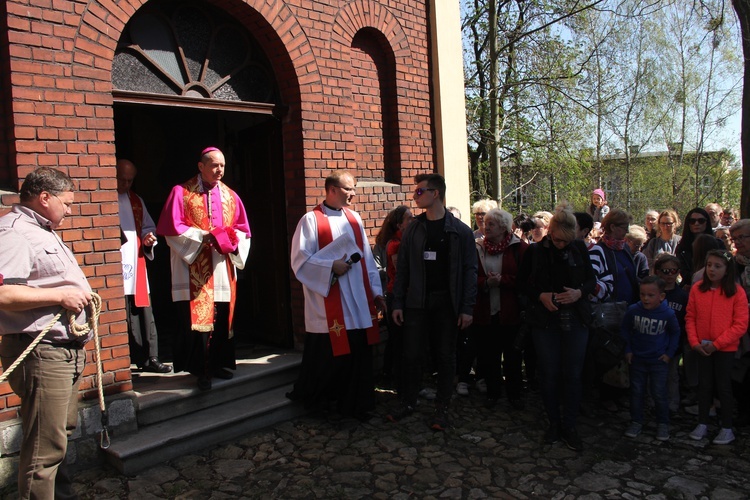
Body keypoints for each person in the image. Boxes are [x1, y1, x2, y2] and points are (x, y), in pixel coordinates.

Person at [0, 167, 93, 499]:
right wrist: (60, 296)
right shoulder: (14, 233)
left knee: (58, 438)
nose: (69, 210)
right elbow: (4, 294)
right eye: (66, 203)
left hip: (64, 351)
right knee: (44, 449)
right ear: (44, 198)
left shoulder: (42, 229)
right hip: (41, 354)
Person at [287, 170, 386, 420]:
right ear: (331, 190)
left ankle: (357, 405)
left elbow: (367, 259)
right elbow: (299, 261)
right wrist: (331, 266)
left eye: (354, 188)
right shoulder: (310, 220)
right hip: (330, 300)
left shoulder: (355, 218)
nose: (353, 193)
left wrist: (376, 293)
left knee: (357, 356)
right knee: (331, 358)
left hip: (358, 301)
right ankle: (326, 406)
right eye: (348, 189)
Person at [387, 173, 477, 431]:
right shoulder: (413, 228)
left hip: (447, 303)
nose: (415, 196)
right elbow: (402, 268)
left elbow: (470, 271)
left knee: (445, 356)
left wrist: (466, 308)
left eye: (419, 191)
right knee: (412, 354)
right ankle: (408, 401)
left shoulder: (460, 231)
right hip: (417, 302)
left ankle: (442, 407)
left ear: (435, 193)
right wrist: (398, 303)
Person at [156, 147, 251, 390]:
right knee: (197, 323)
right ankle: (201, 371)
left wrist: (232, 240)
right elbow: (171, 229)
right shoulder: (181, 192)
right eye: (214, 166)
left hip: (221, 268)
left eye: (222, 166)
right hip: (193, 269)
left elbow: (243, 229)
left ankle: (218, 364)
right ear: (201, 166)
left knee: (220, 319)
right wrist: (203, 238)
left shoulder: (231, 196)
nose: (219, 170)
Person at [518, 204, 596, 451]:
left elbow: (591, 279)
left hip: (575, 317)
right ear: (551, 233)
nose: (562, 245)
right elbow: (521, 284)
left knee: (573, 373)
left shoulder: (579, 248)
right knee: (549, 373)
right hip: (545, 320)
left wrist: (579, 292)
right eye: (558, 240)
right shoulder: (535, 252)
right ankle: (553, 422)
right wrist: (540, 295)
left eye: (566, 241)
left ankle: (570, 424)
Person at [686, 249, 749, 444]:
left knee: (723, 387)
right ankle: (703, 422)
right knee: (705, 386)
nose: (712, 270)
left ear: (727, 269)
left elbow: (740, 324)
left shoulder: (736, 293)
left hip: (725, 349)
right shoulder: (698, 289)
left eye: (717, 266)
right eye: (709, 265)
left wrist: (718, 344)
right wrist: (695, 342)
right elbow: (690, 317)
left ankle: (726, 427)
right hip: (703, 347)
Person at [116, 159, 171, 374]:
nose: (126, 184)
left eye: (130, 181)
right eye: (122, 179)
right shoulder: (104, 200)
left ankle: (151, 357)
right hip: (115, 264)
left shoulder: (136, 201)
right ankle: (125, 360)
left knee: (144, 313)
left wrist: (149, 238)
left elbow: (149, 227)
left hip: (135, 261)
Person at [473, 208, 528, 410]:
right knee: (489, 355)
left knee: (513, 356)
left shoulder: (519, 248)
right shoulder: (478, 247)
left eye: (491, 224)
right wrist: (486, 282)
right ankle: (493, 392)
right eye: (486, 224)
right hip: (485, 313)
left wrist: (502, 281)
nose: (486, 228)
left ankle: (515, 394)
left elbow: (526, 279)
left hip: (511, 312)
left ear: (504, 228)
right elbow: (471, 276)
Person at [621, 276, 680, 441]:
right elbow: (625, 330)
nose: (646, 299)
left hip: (658, 361)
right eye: (642, 294)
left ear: (661, 296)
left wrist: (669, 354)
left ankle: (662, 422)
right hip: (638, 359)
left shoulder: (667, 314)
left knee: (659, 393)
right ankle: (636, 421)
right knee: (636, 391)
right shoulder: (634, 310)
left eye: (650, 295)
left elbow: (675, 332)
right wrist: (628, 349)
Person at [375, 205, 413, 391]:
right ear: (399, 224)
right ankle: (399, 381)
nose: (412, 221)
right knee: (399, 341)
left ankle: (393, 376)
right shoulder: (396, 244)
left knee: (397, 339)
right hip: (397, 296)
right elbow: (400, 273)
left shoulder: (402, 241)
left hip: (400, 295)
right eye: (409, 218)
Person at [652, 254, 690, 413]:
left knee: (672, 376)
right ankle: (653, 403)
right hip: (653, 344)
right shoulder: (651, 294)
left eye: (673, 271)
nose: (670, 275)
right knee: (653, 376)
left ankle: (672, 404)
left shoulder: (682, 296)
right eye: (666, 271)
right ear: (658, 272)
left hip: (673, 346)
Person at [728, 219, 750, 427]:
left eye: (742, 237)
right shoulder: (735, 264)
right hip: (740, 326)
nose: (738, 243)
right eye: (734, 239)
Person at [675, 207, 722, 289]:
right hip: (690, 285)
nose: (696, 224)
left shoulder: (718, 243)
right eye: (692, 221)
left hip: (717, 284)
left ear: (707, 222)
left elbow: (727, 257)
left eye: (701, 221)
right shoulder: (682, 247)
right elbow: (682, 269)